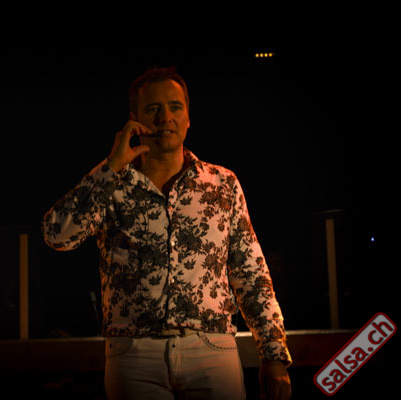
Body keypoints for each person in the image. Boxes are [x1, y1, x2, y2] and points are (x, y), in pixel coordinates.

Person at [41, 66, 292, 399]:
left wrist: (273, 355)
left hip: (211, 349)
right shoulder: (113, 185)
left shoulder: (222, 184)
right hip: (134, 353)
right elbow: (57, 234)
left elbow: (251, 273)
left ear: (188, 117)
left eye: (175, 107)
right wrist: (111, 167)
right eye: (153, 109)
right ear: (134, 120)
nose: (165, 118)